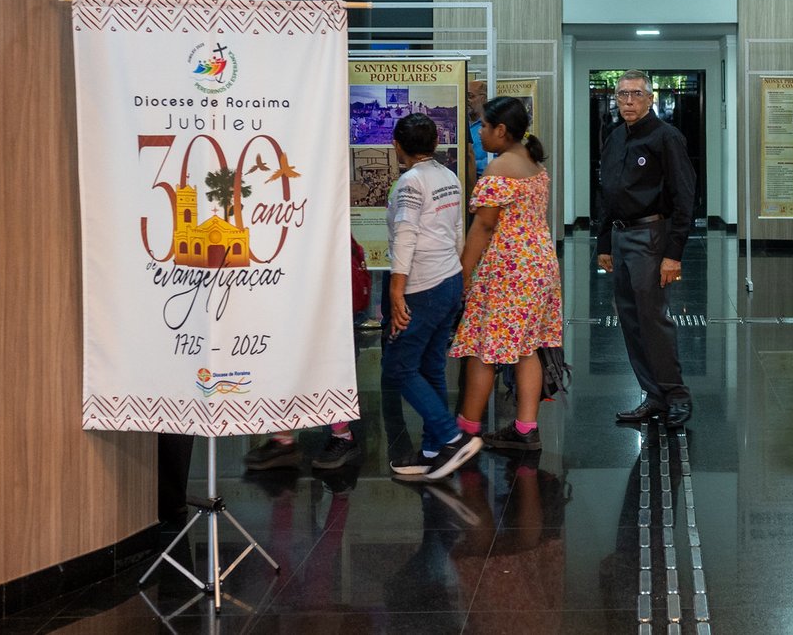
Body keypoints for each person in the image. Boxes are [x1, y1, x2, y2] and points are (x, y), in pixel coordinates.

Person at [451, 97, 564, 451]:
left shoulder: (499, 168)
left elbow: (482, 228)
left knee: (486, 348)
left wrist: (463, 274)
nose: (479, 131)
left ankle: (465, 432)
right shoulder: (533, 161)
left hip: (509, 267)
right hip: (540, 263)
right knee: (528, 347)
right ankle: (526, 428)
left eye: (484, 125)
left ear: (501, 131)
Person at [384, 113, 483, 482]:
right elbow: (458, 229)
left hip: (421, 286)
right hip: (448, 280)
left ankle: (451, 436)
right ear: (435, 145)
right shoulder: (449, 176)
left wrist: (397, 290)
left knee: (398, 367)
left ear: (397, 145)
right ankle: (431, 451)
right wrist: (460, 277)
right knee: (430, 367)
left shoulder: (410, 182)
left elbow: (406, 234)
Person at [595, 71, 696, 428]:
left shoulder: (666, 137)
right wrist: (603, 241)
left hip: (651, 236)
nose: (628, 102)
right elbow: (607, 191)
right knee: (630, 320)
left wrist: (674, 253)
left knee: (653, 321)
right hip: (621, 239)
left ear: (650, 98)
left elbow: (685, 196)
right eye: (622, 95)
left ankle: (676, 395)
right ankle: (653, 395)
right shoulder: (613, 137)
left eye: (636, 94)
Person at [241, 236, 376, 472]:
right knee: (292, 362)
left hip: (327, 295)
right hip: (310, 290)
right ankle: (286, 437)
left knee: (328, 364)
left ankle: (342, 436)